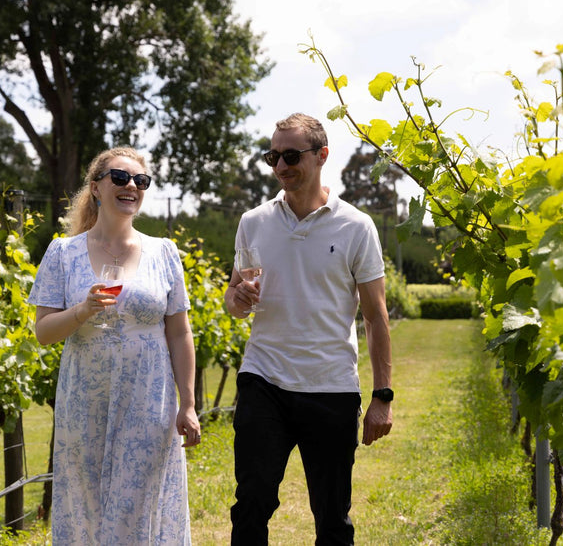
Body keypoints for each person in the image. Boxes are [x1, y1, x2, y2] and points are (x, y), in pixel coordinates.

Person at [224, 113, 394, 545]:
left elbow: (375, 315)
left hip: (331, 388)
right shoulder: (253, 221)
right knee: (252, 505)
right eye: (273, 156)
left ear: (321, 156)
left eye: (291, 155)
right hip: (264, 380)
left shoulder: (356, 226)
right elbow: (234, 299)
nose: (281, 166)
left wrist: (382, 397)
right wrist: (238, 299)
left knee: (332, 516)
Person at [28, 146, 201, 545]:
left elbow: (179, 332)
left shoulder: (164, 252)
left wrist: (188, 403)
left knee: (140, 506)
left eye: (140, 181)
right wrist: (83, 310)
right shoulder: (62, 253)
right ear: (96, 187)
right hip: (85, 405)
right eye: (120, 178)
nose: (131, 187)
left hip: (149, 403)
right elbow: (44, 331)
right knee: (85, 505)